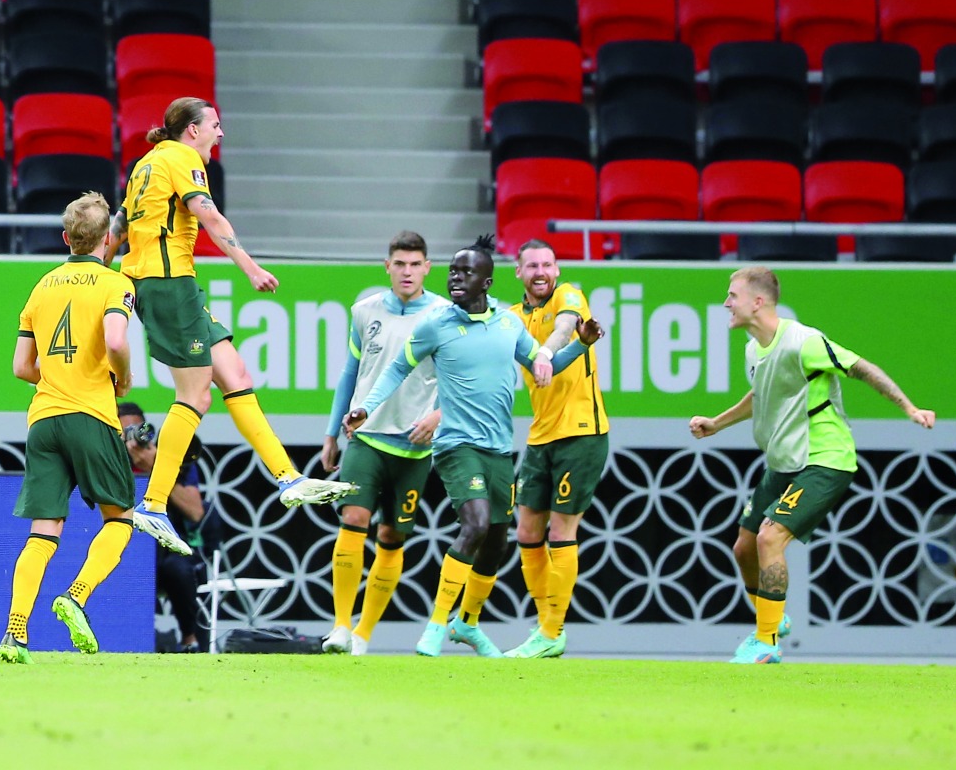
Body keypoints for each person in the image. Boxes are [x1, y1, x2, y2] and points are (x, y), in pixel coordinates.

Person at [105, 96, 354, 556]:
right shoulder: (182, 158)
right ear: (192, 130)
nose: (220, 134)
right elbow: (211, 217)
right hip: (168, 285)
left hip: (167, 286)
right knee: (195, 395)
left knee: (236, 375)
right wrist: (251, 268)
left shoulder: (146, 163)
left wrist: (101, 271)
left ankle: (288, 477)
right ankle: (154, 504)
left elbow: (118, 226)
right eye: (215, 125)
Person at [345, 234, 605, 658]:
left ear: (487, 282)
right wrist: (365, 408)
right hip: (455, 445)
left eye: (466, 272)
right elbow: (396, 369)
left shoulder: (508, 324)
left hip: (499, 448)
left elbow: (547, 364)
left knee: (498, 540)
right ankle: (436, 624)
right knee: (477, 522)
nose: (455, 279)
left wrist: (582, 344)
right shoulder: (435, 324)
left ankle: (467, 623)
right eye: (453, 271)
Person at [689, 266, 936, 664]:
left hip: (825, 459)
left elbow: (861, 367)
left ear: (758, 301)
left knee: (771, 538)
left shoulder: (803, 341)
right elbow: (761, 394)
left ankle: (766, 642)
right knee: (744, 548)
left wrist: (908, 407)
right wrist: (717, 423)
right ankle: (774, 615)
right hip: (784, 463)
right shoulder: (754, 349)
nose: (725, 303)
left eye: (732, 295)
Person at [0, 191, 139, 665]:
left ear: (66, 238)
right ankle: (76, 596)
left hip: (43, 420)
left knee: (44, 531)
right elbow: (116, 339)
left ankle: (15, 633)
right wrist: (122, 376)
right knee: (119, 519)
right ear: (109, 241)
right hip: (91, 416)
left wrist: (57, 378)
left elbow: (21, 366)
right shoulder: (115, 282)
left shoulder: (42, 286)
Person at [319, 230, 448, 656]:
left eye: (415, 264)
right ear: (387, 267)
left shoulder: (445, 316)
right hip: (367, 437)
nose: (407, 272)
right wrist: (332, 432)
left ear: (427, 268)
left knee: (391, 538)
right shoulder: (364, 312)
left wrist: (438, 416)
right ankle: (339, 625)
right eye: (400, 264)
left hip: (414, 445)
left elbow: (457, 380)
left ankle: (363, 635)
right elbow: (350, 374)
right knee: (353, 519)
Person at [504, 240, 610, 659]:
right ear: (519, 273)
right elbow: (523, 360)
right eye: (531, 265)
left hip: (582, 433)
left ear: (557, 268)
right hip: (540, 435)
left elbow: (566, 326)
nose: (540, 271)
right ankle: (547, 626)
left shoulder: (570, 296)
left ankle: (550, 632)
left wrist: (551, 349)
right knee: (528, 532)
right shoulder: (512, 318)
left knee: (561, 532)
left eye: (547, 264)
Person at [119, 401, 215, 654]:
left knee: (179, 569)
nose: (132, 438)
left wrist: (155, 469)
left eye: (137, 429)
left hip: (163, 547)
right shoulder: (105, 459)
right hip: (120, 544)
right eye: (124, 431)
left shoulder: (169, 458)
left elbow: (195, 511)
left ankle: (190, 639)